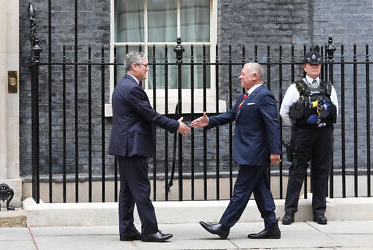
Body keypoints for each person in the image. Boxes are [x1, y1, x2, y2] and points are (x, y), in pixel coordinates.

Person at [191, 63, 282, 239]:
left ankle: (224, 226)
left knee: (241, 190)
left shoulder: (264, 96)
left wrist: (275, 151)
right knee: (261, 189)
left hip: (255, 152)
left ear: (255, 76)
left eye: (243, 74)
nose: (240, 77)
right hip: (249, 151)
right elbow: (231, 115)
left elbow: (273, 124)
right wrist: (209, 121)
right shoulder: (245, 97)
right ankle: (271, 226)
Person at [108, 51, 190, 242]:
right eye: (145, 65)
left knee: (128, 190)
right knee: (142, 189)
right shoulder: (132, 88)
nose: (147, 69)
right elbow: (151, 115)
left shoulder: (123, 85)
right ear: (134, 67)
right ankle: (150, 230)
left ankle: (127, 228)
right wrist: (175, 125)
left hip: (125, 145)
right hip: (133, 146)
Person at [280, 50, 338, 225]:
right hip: (303, 134)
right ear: (305, 67)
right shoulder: (295, 88)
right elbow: (284, 112)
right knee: (297, 171)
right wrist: (298, 128)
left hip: (324, 133)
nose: (314, 67)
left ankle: (319, 212)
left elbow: (335, 111)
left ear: (320, 67)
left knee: (321, 171)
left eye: (317, 65)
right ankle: (290, 212)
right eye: (311, 65)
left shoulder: (328, 87)